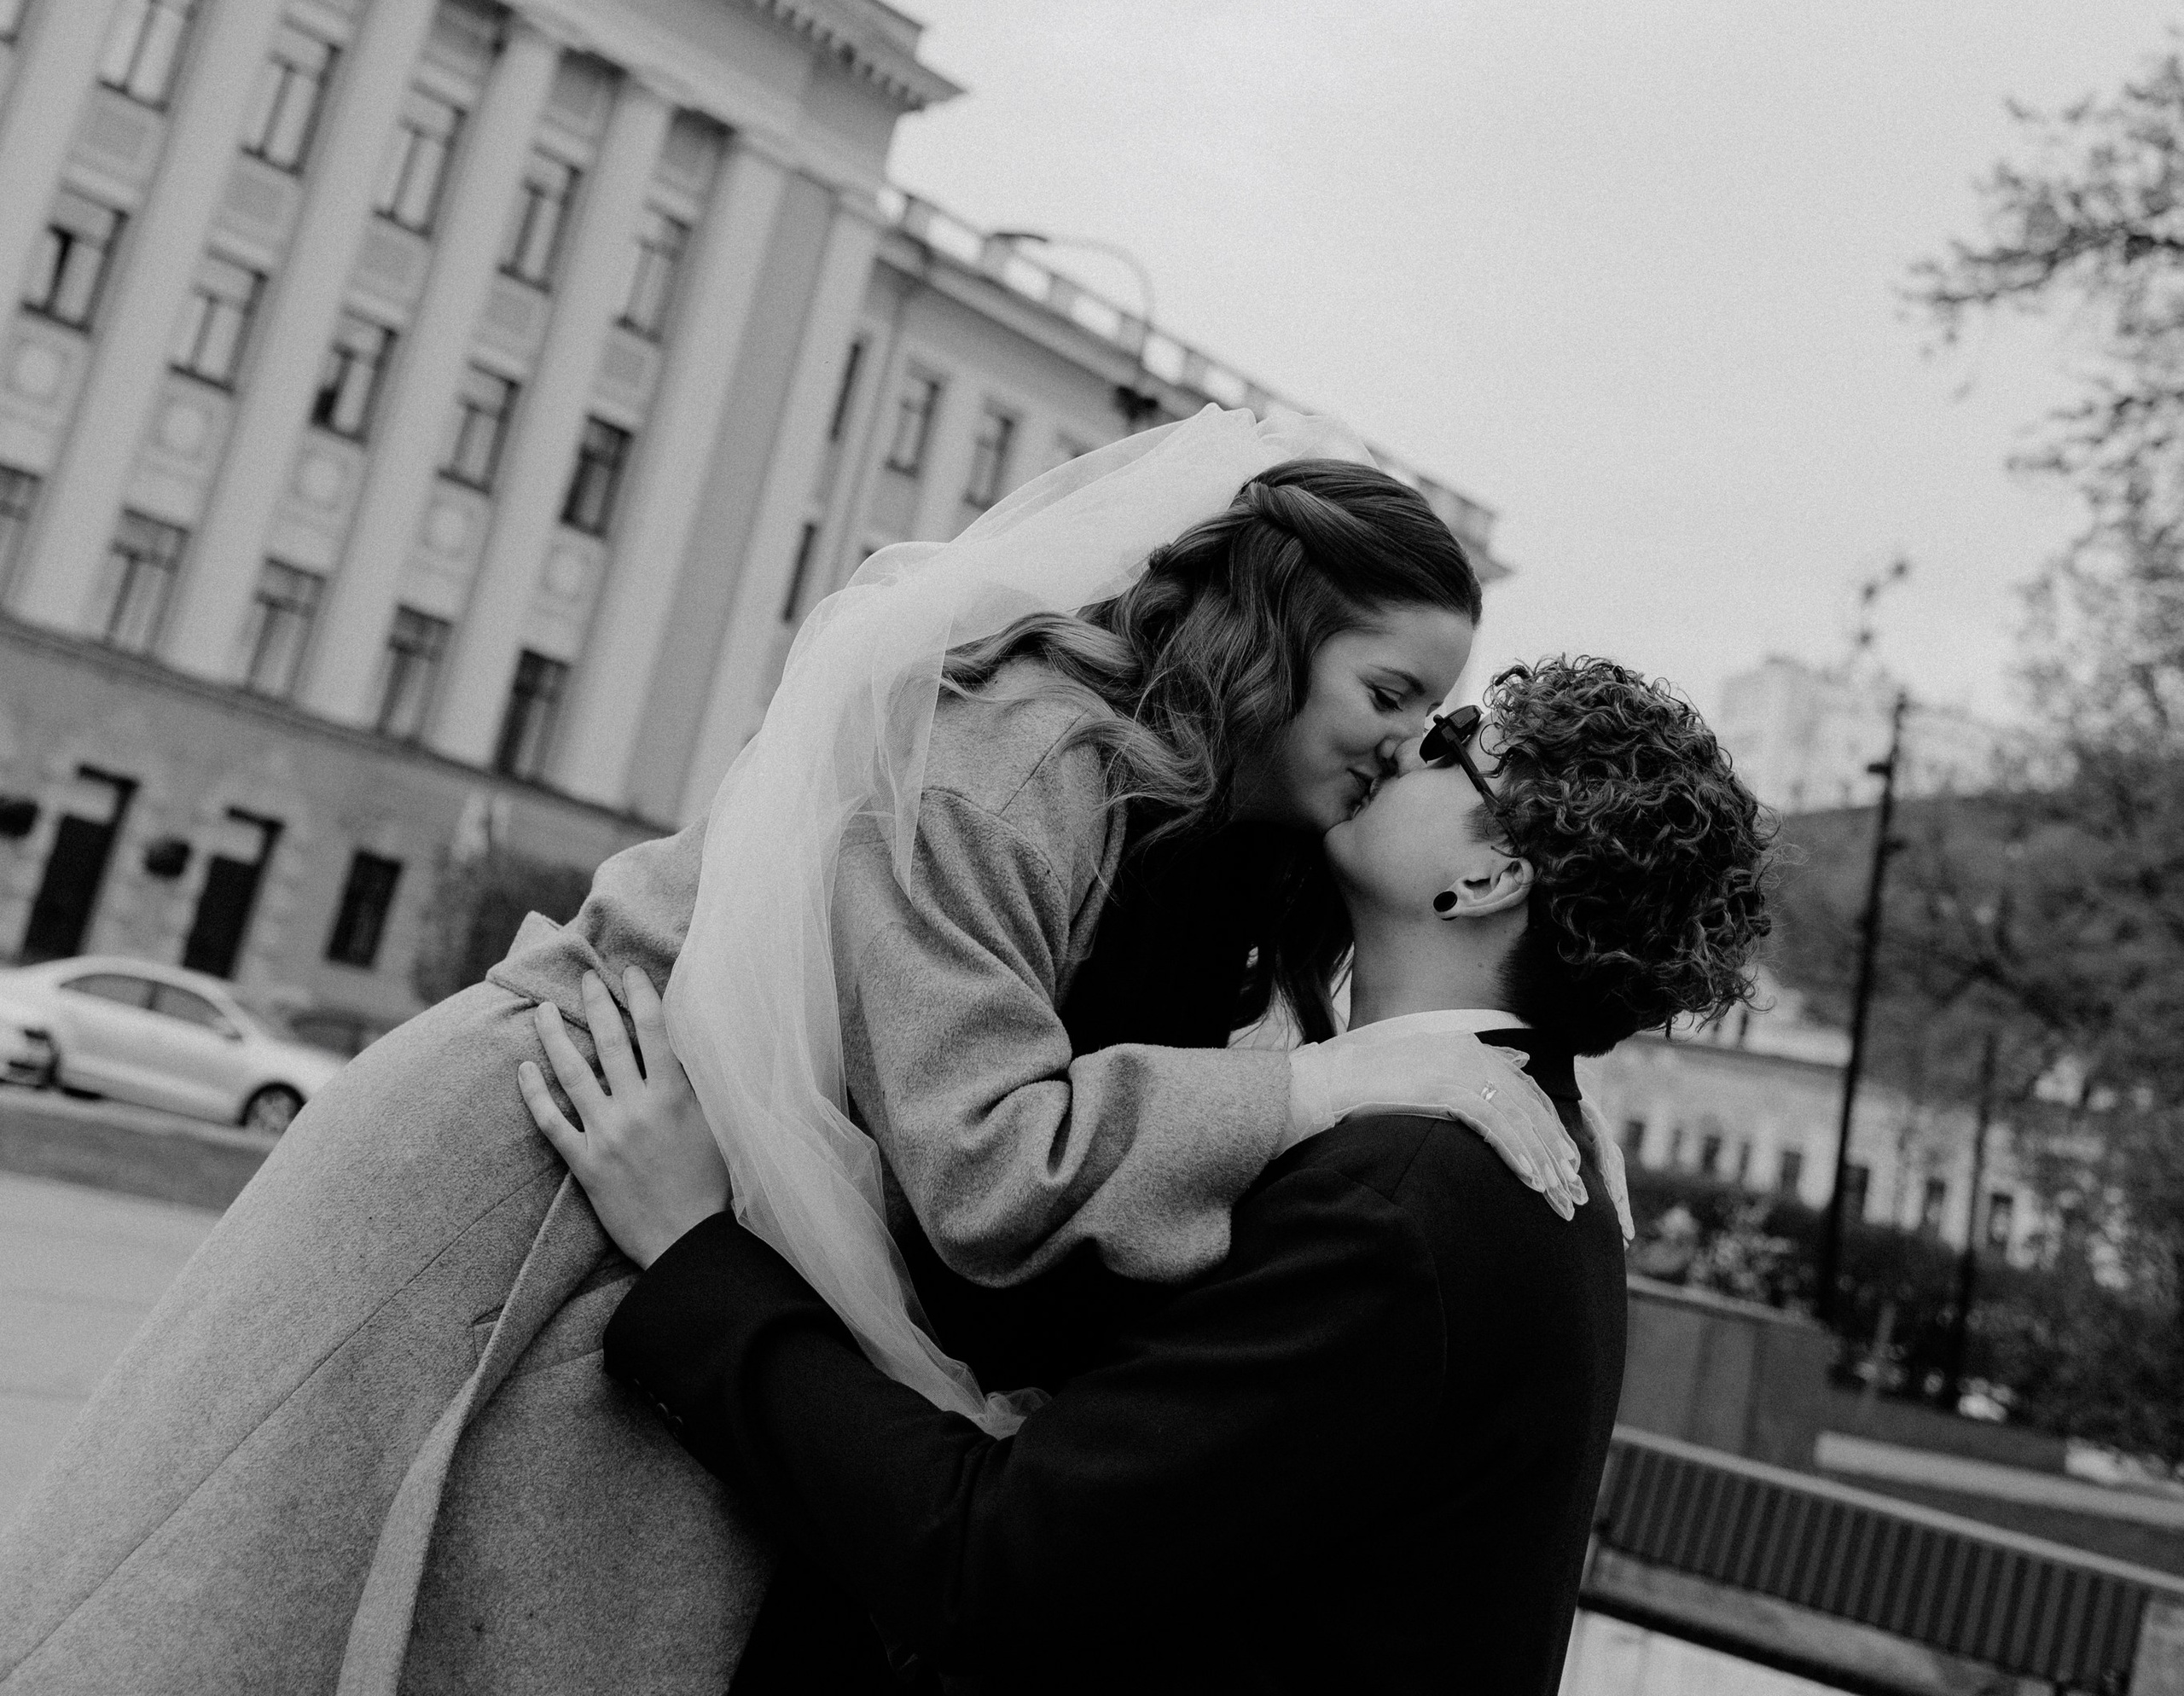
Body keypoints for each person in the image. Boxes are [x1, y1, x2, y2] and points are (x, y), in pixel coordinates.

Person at [0, 407, 1586, 1696]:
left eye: (1433, 718)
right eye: (1392, 692)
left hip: (682, 1200)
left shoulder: (1221, 835)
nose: (1409, 743)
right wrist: (1322, 1085)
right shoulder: (1011, 762)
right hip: (547, 1157)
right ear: (1275, 638)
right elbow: (986, 1164)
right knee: (230, 1601)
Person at [527, 653, 1770, 1696]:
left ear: (1492, 875)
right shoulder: (1520, 1157)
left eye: (1452, 746)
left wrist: (693, 1252)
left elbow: (991, 1566)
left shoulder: (1402, 1204)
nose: (1405, 742)